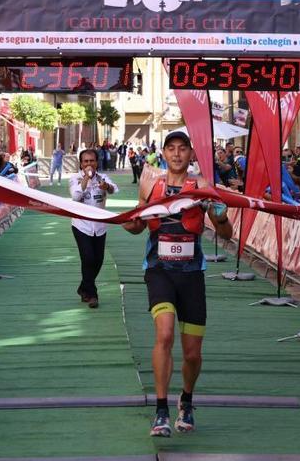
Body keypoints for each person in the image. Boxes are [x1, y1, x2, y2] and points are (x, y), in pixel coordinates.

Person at [123, 131, 233, 437]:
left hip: (192, 274)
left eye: (182, 149)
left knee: (192, 354)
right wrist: (127, 221)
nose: (176, 154)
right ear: (164, 153)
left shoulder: (203, 188)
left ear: (190, 154)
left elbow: (227, 236)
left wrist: (220, 216)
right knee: (165, 333)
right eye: (170, 149)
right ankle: (161, 410)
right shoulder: (151, 184)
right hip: (158, 270)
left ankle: (186, 400)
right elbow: (137, 226)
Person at [69, 149, 118, 309]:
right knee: (88, 258)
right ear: (81, 164)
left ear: (97, 162)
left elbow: (114, 189)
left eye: (92, 161)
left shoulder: (102, 178)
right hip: (81, 225)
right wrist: (86, 178)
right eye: (85, 161)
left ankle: (83, 287)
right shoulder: (75, 178)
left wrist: (106, 186)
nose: (89, 164)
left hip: (100, 226)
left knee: (98, 260)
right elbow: (75, 196)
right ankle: (92, 294)